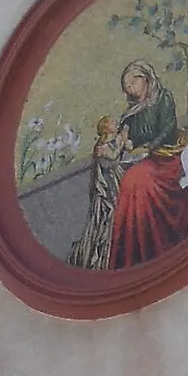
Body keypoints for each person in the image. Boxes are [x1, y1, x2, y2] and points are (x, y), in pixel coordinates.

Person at [106, 61, 188, 268]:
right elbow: (130, 137)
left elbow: (168, 128)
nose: (130, 89)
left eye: (132, 83)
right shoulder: (132, 112)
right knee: (129, 183)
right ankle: (139, 251)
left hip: (166, 155)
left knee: (140, 182)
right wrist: (128, 142)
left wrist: (149, 147)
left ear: (144, 79)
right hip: (144, 159)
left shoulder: (163, 98)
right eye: (127, 86)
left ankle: (158, 240)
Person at [69, 116, 125, 272]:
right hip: (107, 187)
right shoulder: (101, 147)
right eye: (114, 123)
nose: (117, 124)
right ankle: (105, 254)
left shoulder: (109, 143)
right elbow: (113, 156)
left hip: (114, 178)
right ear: (106, 129)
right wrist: (122, 139)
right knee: (109, 216)